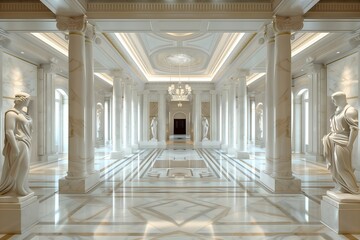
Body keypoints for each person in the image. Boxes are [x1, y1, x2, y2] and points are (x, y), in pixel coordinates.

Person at [323, 91, 360, 194]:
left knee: (342, 167)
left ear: (341, 99)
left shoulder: (350, 111)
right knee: (335, 168)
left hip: (343, 141)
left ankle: (353, 188)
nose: (333, 101)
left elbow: (354, 129)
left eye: (334, 99)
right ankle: (342, 187)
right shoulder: (338, 110)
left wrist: (350, 144)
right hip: (334, 140)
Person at [0, 92, 33, 196]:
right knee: (22, 165)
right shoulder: (11, 113)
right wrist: (14, 148)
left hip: (26, 142)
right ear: (22, 100)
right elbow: (9, 131)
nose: (28, 101)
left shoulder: (22, 113)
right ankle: (18, 188)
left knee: (24, 166)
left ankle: (21, 186)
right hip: (18, 143)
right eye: (27, 99)